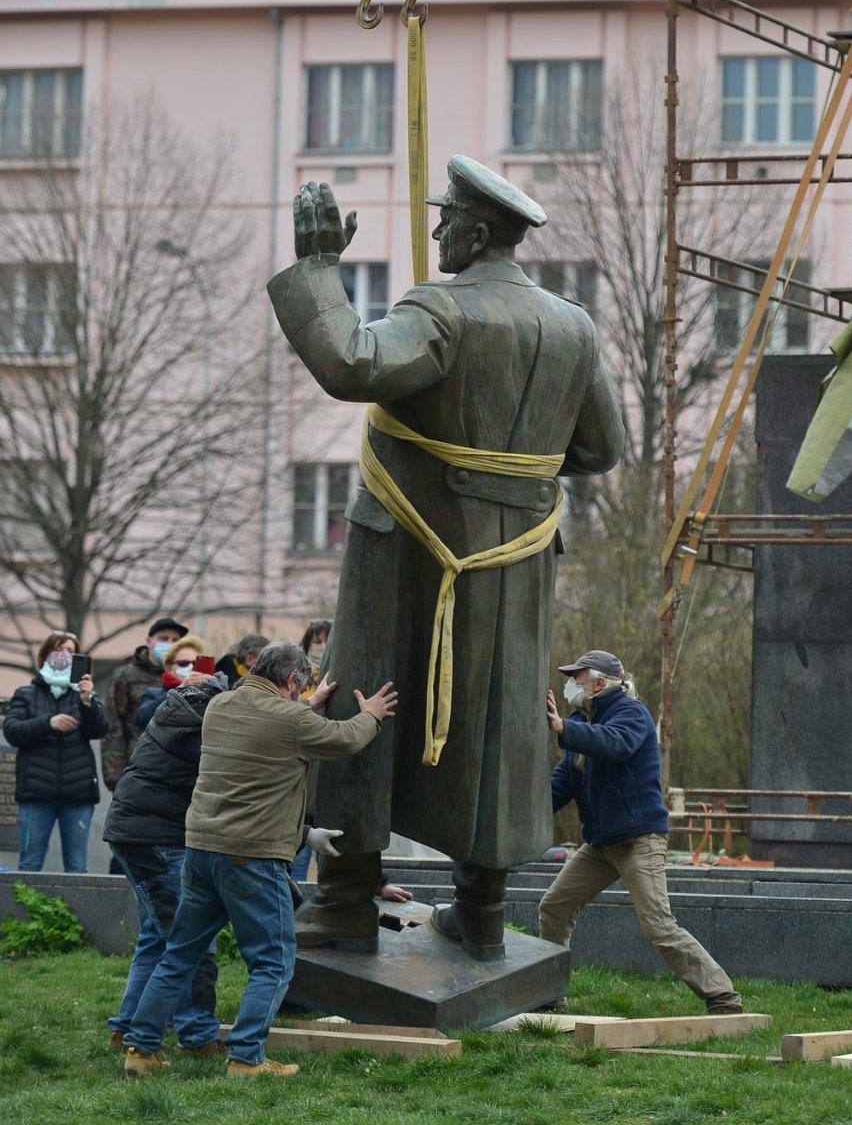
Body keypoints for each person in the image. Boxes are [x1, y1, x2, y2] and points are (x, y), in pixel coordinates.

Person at [267, 157, 624, 959]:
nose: (437, 233)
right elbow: (600, 448)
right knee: (499, 718)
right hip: (521, 555)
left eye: (445, 220)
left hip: (410, 548)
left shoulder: (442, 309)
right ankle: (483, 913)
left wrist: (320, 267)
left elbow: (351, 362)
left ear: (475, 229)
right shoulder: (573, 324)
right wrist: (507, 470)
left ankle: (347, 903)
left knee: (370, 693)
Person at [121, 640, 397, 1079]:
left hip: (200, 850)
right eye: (299, 686)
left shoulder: (221, 705)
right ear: (291, 682)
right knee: (273, 960)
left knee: (180, 954)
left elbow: (276, 719)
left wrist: (308, 702)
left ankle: (140, 1049)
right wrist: (372, 715)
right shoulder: (291, 719)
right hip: (251, 856)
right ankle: (247, 1057)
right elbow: (343, 739)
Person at [538, 650, 744, 1016]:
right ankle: (549, 994)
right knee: (555, 906)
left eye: (577, 676)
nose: (570, 684)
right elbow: (560, 786)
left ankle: (723, 997)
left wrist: (565, 730)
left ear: (600, 682)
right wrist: (524, 813)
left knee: (658, 925)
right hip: (601, 844)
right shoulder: (580, 722)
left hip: (639, 840)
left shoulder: (630, 713)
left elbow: (614, 744)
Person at [104, 667, 230, 1055]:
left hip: (135, 834)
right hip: (157, 840)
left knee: (156, 940)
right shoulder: (199, 728)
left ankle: (125, 1029)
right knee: (188, 938)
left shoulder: (177, 712)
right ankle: (196, 1034)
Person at [3, 630, 108, 872]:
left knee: (78, 867)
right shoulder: (26, 694)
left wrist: (86, 701)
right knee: (29, 865)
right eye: (59, 649)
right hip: (36, 795)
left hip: (78, 795)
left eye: (71, 651)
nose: (65, 655)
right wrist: (47, 722)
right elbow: (12, 731)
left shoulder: (85, 695)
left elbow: (100, 729)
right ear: (46, 655)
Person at [102, 617, 187, 791]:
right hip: (137, 769)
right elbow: (112, 725)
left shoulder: (186, 675)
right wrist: (115, 777)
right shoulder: (127, 675)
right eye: (164, 638)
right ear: (149, 641)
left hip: (176, 772)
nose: (170, 644)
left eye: (175, 640)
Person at [292, 618, 332, 882]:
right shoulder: (294, 682)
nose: (321, 647)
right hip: (300, 777)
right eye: (316, 642)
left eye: (325, 641)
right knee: (297, 858)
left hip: (327, 775)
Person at [135, 634, 206, 731]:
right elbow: (143, 719)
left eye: (195, 663)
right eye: (183, 663)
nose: (190, 667)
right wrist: (181, 689)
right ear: (169, 668)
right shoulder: (153, 694)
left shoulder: (206, 695)